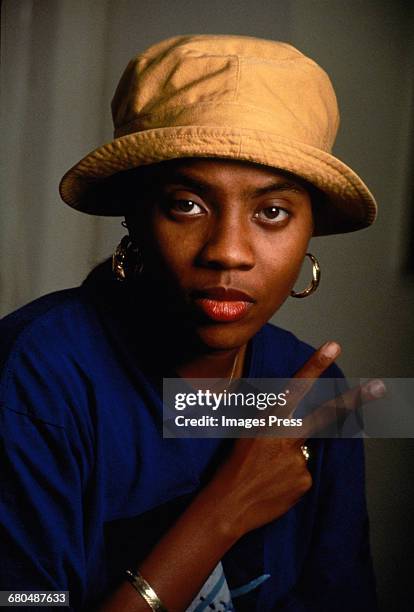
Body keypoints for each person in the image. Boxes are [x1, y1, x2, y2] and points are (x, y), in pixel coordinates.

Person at [0, 35, 384, 611]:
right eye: (187, 204)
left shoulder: (315, 396)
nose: (229, 252)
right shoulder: (35, 380)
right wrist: (221, 515)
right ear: (134, 212)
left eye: (272, 212)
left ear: (310, 229)